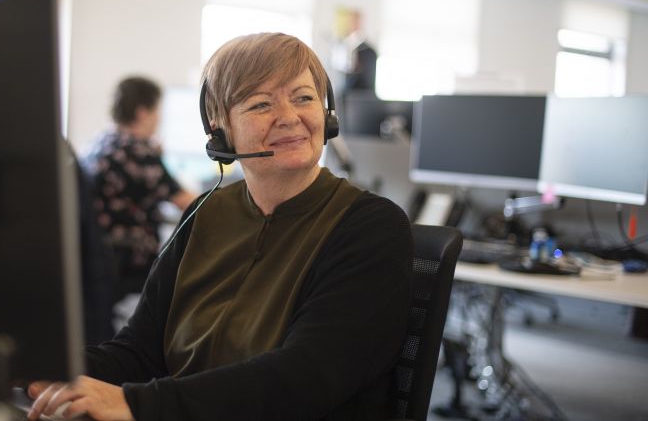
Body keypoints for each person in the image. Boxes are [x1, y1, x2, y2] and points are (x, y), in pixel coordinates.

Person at [28, 33, 412, 421]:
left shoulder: (370, 227)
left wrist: (136, 404)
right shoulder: (205, 214)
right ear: (220, 128)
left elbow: (304, 379)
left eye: (303, 97)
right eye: (261, 103)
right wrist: (41, 369)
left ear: (326, 113)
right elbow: (140, 352)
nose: (290, 117)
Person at [82, 77, 196, 323]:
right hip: (128, 261)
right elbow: (189, 202)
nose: (159, 118)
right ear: (143, 112)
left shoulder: (102, 141)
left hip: (103, 256)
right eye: (158, 111)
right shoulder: (137, 151)